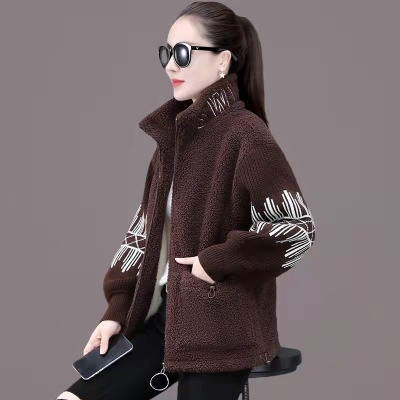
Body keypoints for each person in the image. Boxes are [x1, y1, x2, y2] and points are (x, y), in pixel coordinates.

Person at [56, 2, 316, 399]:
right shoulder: (172, 139)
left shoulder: (247, 136)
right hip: (169, 318)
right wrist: (117, 313)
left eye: (182, 53)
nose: (170, 66)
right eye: (166, 53)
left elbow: (296, 228)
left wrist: (216, 262)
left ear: (222, 60)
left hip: (222, 329)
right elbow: (145, 233)